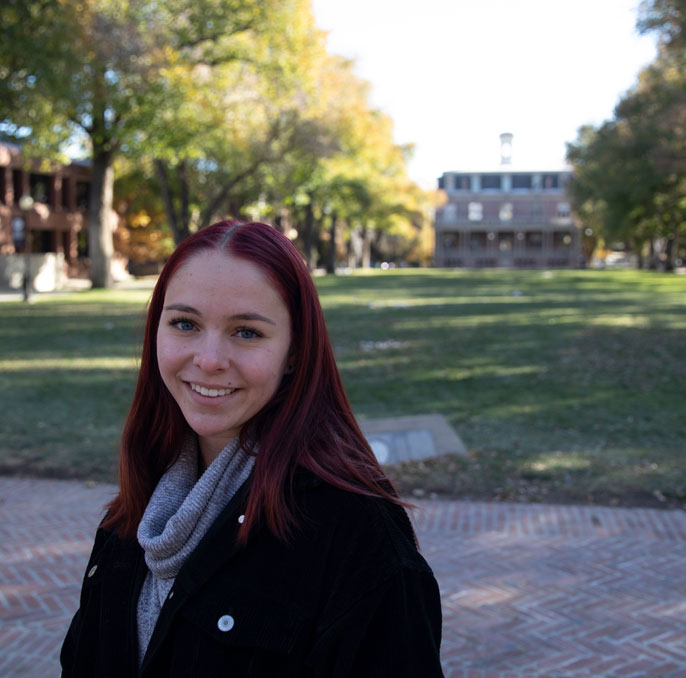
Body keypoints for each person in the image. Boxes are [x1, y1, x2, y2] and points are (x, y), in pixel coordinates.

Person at [61, 220, 443, 677]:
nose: (208, 359)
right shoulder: (138, 512)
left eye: (246, 332)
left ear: (296, 352)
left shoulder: (356, 534)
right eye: (185, 323)